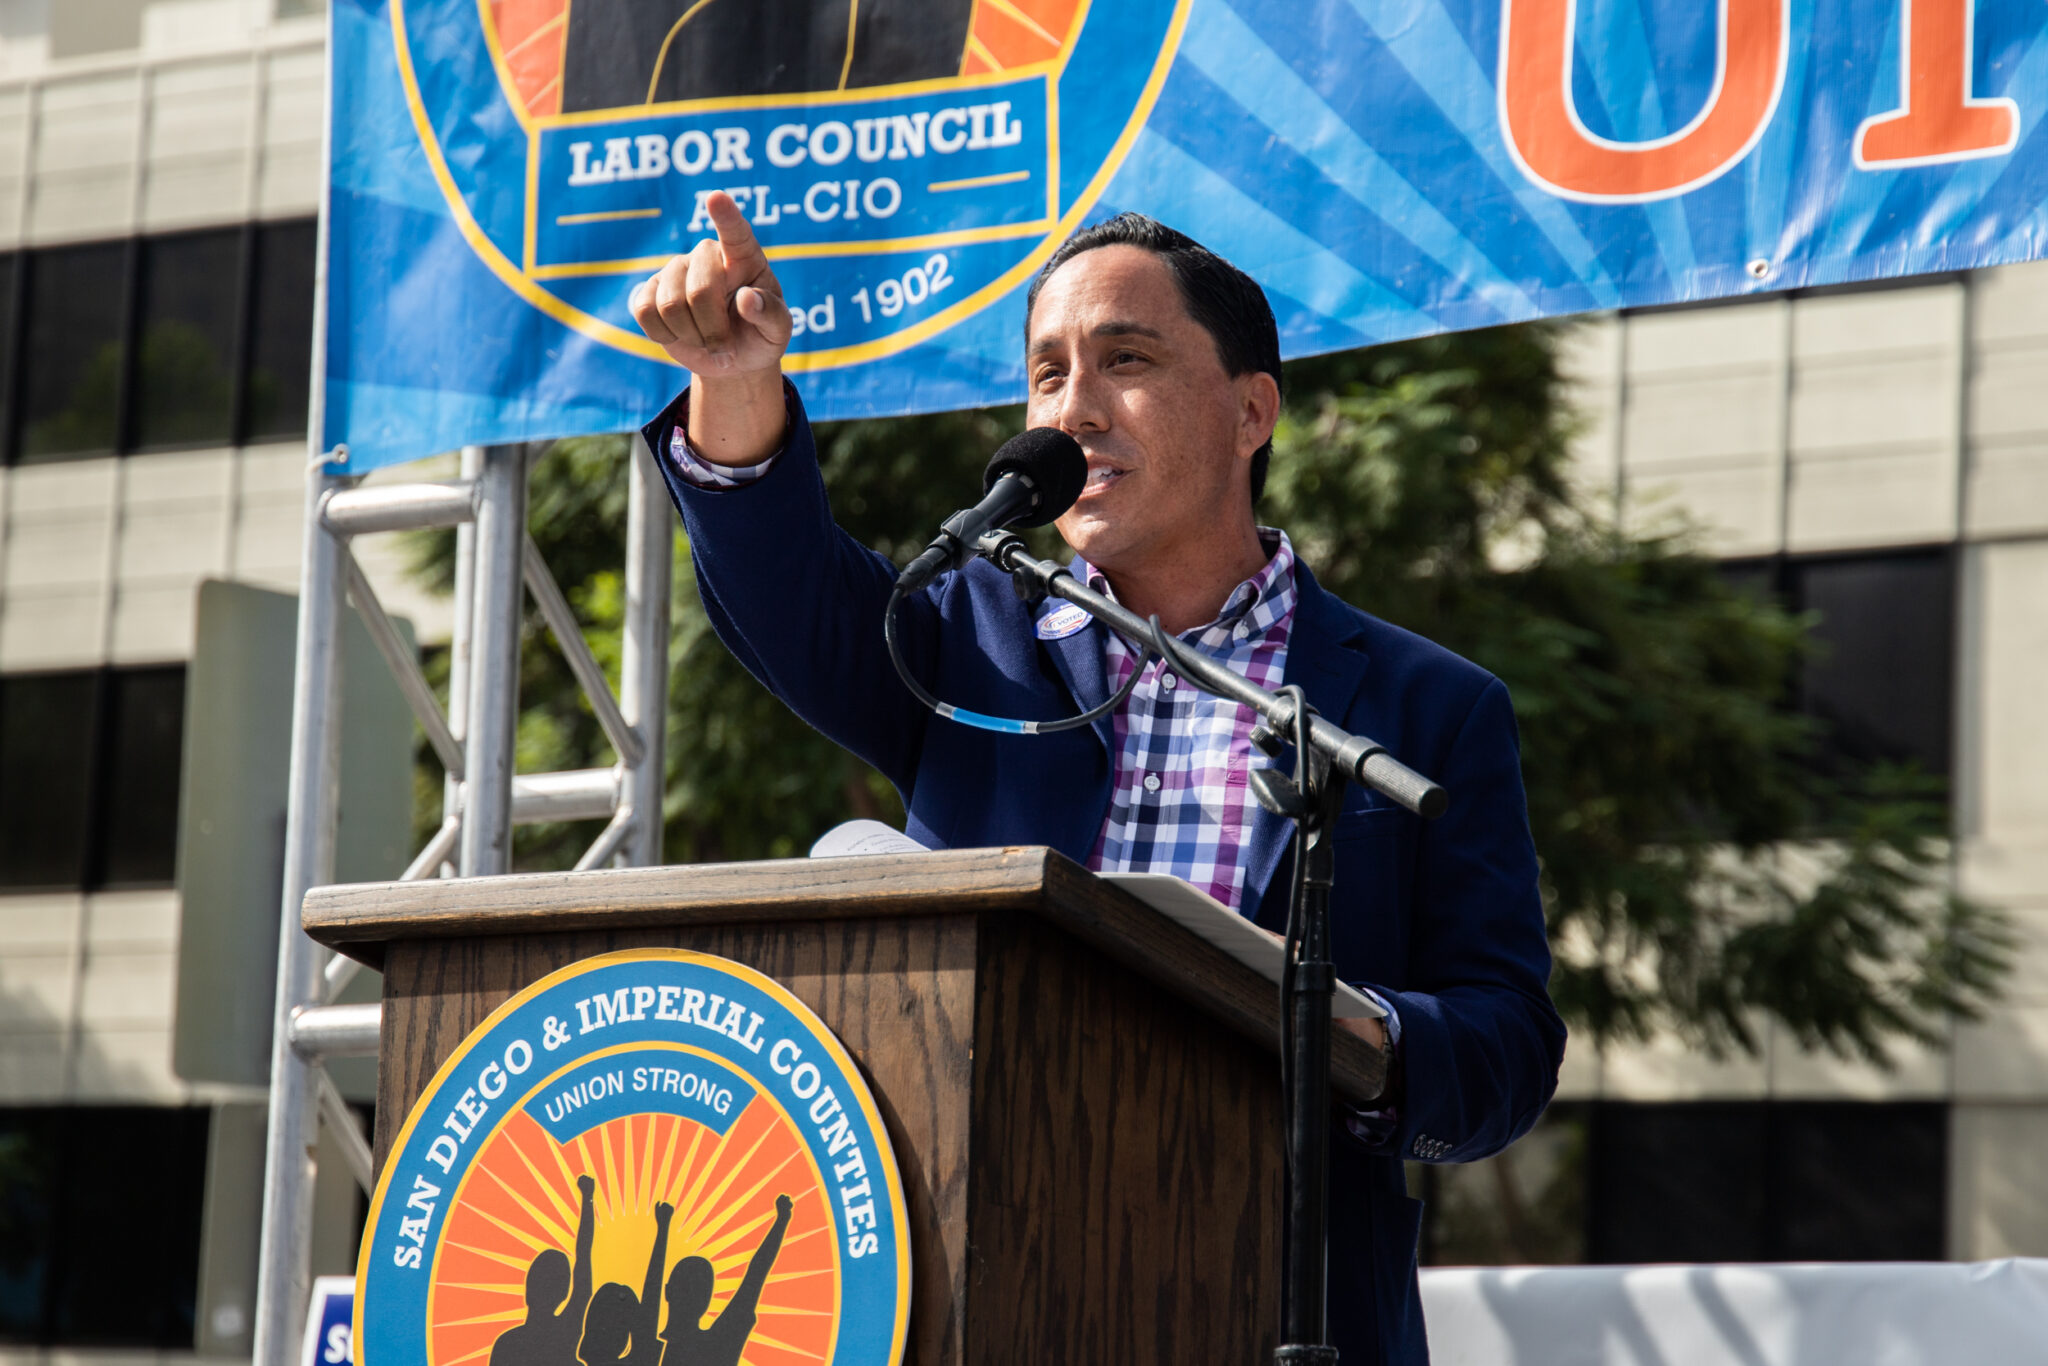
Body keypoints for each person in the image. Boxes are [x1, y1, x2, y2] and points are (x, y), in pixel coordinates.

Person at [628, 194, 1566, 1364]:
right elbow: (787, 595)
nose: (1073, 408)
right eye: (1046, 374)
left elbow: (1505, 1046)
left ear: (1249, 411)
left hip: (1273, 1306)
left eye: (1124, 360)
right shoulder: (961, 641)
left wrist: (1347, 1031)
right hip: (983, 1290)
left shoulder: (1425, 707)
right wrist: (733, 385)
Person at [658, 1193, 795, 1366]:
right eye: (687, 1289)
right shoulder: (717, 1343)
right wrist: (781, 1221)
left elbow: (755, 1276)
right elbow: (755, 1276)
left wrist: (781, 1222)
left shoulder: (716, 1345)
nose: (689, 1297)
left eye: (695, 1291)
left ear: (668, 1291)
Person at [491, 1173, 598, 1366]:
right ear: (563, 1293)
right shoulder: (565, 1333)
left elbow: (583, 1266)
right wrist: (588, 1198)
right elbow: (583, 1259)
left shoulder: (506, 1344)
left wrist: (588, 1199)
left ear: (528, 1289)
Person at [577, 1202, 673, 1366]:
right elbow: (649, 1314)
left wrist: (663, 1230)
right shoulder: (638, 1360)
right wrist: (663, 1230)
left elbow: (648, 1316)